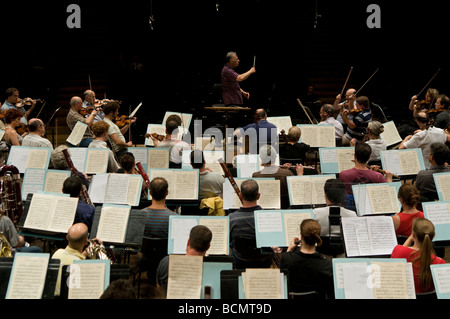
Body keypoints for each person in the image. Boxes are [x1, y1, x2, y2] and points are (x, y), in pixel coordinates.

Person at [279, 219, 334, 299]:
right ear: (317, 237)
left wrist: (289, 250)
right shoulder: (327, 265)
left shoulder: (287, 259)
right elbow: (331, 294)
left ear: (301, 236)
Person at [390, 218, 445, 294]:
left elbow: (401, 250)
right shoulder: (439, 262)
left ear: (413, 235)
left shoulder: (398, 251)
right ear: (433, 235)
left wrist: (409, 239)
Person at [229, 179, 274, 268]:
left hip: (241, 261)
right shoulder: (271, 217)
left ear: (240, 196)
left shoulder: (231, 218)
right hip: (265, 261)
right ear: (258, 196)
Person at [156, 224, 212, 295]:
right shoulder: (211, 269)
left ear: (188, 241)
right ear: (208, 247)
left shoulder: (166, 262)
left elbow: (160, 288)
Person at [51, 223, 103, 296]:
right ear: (86, 241)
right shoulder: (81, 266)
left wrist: (88, 250)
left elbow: (74, 257)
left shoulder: (58, 253)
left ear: (67, 237)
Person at [339, 142, 393, 210]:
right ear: (368, 158)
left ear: (355, 156)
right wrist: (389, 179)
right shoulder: (377, 176)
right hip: (370, 209)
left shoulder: (343, 174)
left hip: (351, 209)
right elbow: (389, 193)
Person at [313, 178, 357, 244]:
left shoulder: (315, 214)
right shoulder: (352, 215)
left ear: (326, 196)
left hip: (321, 252)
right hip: (343, 253)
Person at [252, 144, 297, 209]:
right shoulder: (287, 174)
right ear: (275, 157)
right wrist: (299, 175)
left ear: (261, 158)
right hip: (284, 208)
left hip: (263, 208)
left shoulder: (256, 176)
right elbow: (295, 192)